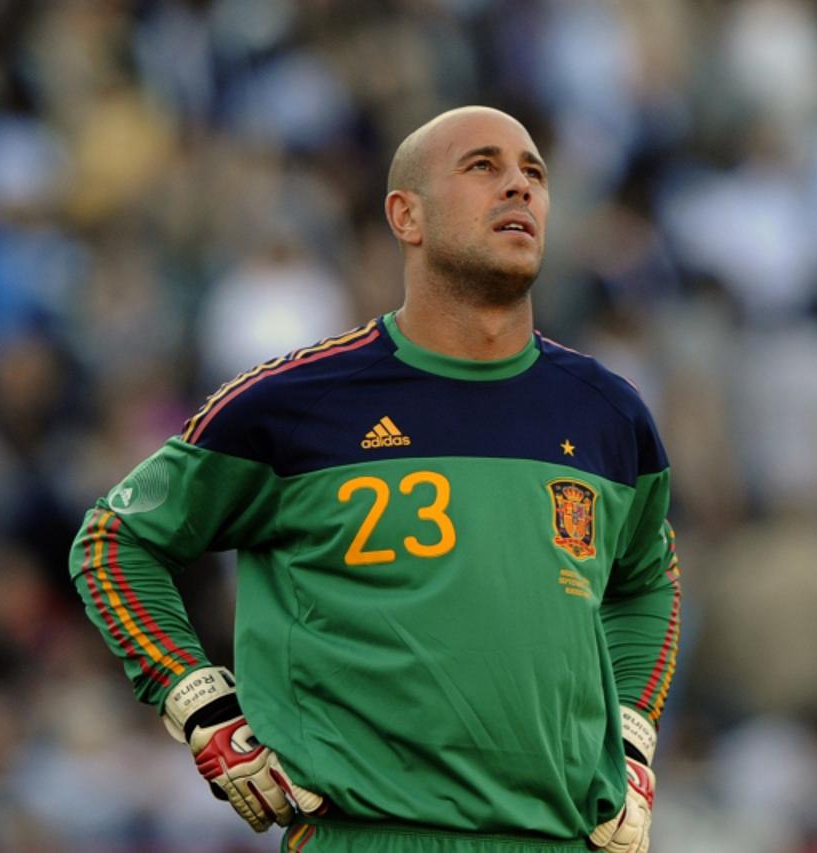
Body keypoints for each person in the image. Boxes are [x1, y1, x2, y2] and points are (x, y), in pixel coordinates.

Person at [70, 105, 680, 853]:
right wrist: (197, 702)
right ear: (405, 215)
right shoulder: (294, 406)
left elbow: (647, 580)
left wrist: (632, 738)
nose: (519, 186)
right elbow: (116, 539)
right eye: (482, 166)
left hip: (559, 840)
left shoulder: (607, 414)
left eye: (535, 173)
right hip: (361, 835)